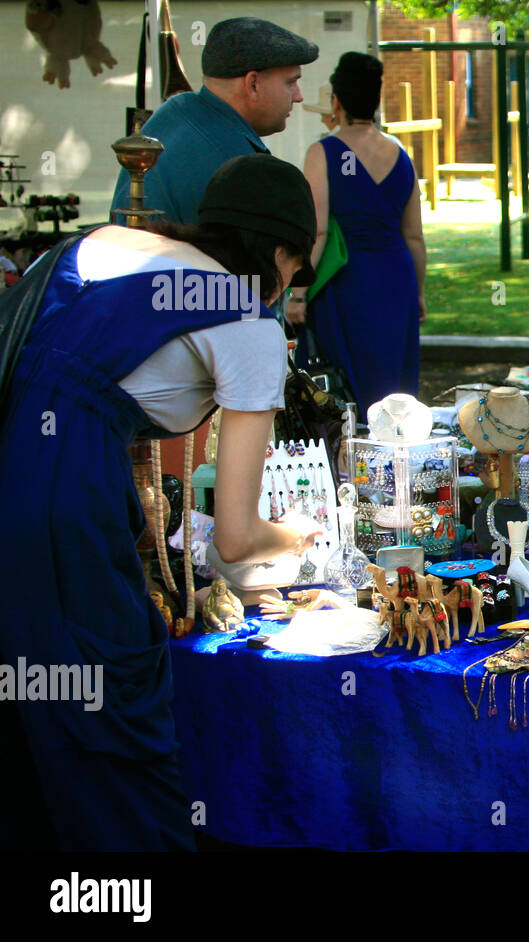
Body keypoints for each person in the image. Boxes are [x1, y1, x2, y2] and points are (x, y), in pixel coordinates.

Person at [0, 154, 324, 851]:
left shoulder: (104, 244)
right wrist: (294, 533)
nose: (292, 286)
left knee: (32, 710)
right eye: (299, 269)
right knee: (109, 717)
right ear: (279, 252)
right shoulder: (249, 317)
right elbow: (233, 541)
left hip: (22, 467)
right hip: (64, 504)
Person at [287, 52, 423, 413]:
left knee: (345, 384)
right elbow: (414, 237)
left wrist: (298, 294)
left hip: (347, 281)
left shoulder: (323, 152)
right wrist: (419, 294)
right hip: (397, 277)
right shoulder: (400, 153)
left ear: (336, 101)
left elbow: (316, 230)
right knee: (394, 383)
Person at [109, 17, 318, 224]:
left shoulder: (175, 111)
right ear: (253, 84)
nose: (299, 96)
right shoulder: (237, 167)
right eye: (291, 82)